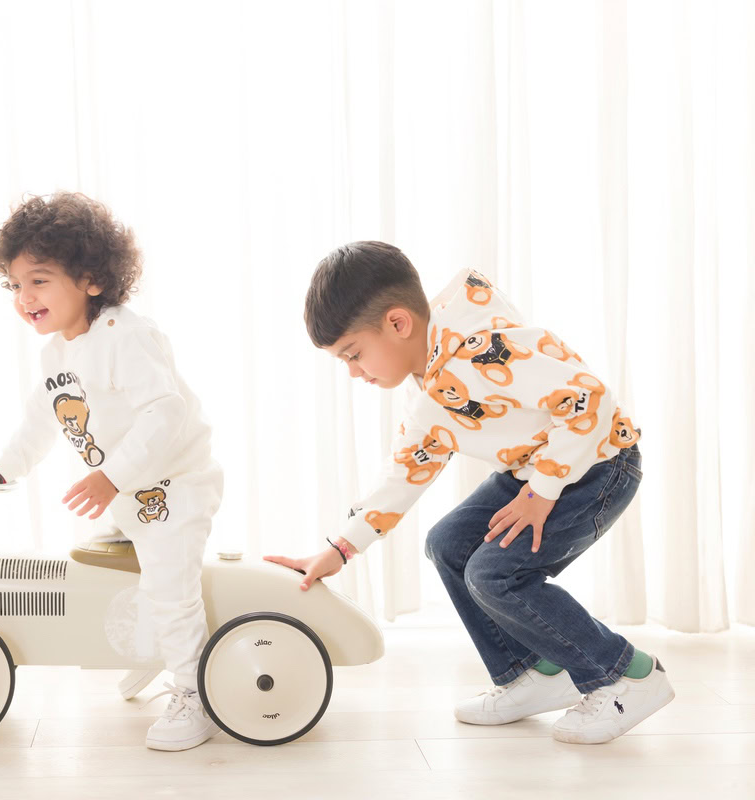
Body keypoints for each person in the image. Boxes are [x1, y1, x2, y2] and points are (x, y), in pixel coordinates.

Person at [265, 241, 672, 745]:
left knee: (495, 573)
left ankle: (627, 675)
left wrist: (543, 489)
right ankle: (532, 675)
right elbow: (406, 472)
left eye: (353, 354)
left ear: (397, 323)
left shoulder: (482, 349)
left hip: (599, 463)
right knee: (448, 545)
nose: (353, 371)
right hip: (535, 470)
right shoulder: (429, 384)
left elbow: (590, 397)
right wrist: (340, 548)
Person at [0, 192, 224, 751]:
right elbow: (40, 420)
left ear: (91, 279)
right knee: (117, 575)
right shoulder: (58, 354)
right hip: (134, 494)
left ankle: (196, 692)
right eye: (14, 285)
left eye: (39, 280)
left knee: (171, 583)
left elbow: (165, 411)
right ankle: (159, 647)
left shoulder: (126, 336)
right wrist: (2, 470)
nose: (24, 297)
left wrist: (113, 476)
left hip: (178, 484)